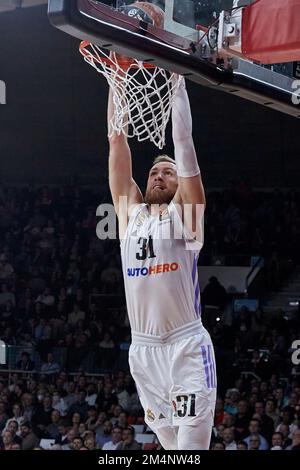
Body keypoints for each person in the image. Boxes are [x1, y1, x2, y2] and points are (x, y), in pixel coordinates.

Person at [107, 73, 216, 450]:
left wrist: (177, 83)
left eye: (167, 172)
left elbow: (184, 145)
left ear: (178, 184)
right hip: (143, 351)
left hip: (186, 346)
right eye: (154, 171)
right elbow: (116, 141)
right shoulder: (129, 214)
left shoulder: (186, 216)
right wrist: (117, 77)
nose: (159, 175)